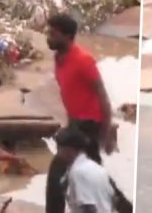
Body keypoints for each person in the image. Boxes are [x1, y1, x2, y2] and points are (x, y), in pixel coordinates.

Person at [44, 14, 128, 213]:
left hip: (90, 126)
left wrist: (106, 135)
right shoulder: (58, 59)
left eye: (53, 34)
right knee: (92, 174)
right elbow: (70, 96)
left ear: (67, 36)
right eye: (49, 32)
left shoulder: (84, 60)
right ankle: (126, 207)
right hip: (76, 125)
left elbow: (103, 98)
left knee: (59, 173)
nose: (48, 37)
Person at [55, 127, 115, 213]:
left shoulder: (78, 173)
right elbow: (113, 198)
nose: (58, 154)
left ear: (68, 150)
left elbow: (88, 207)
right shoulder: (98, 168)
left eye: (59, 149)